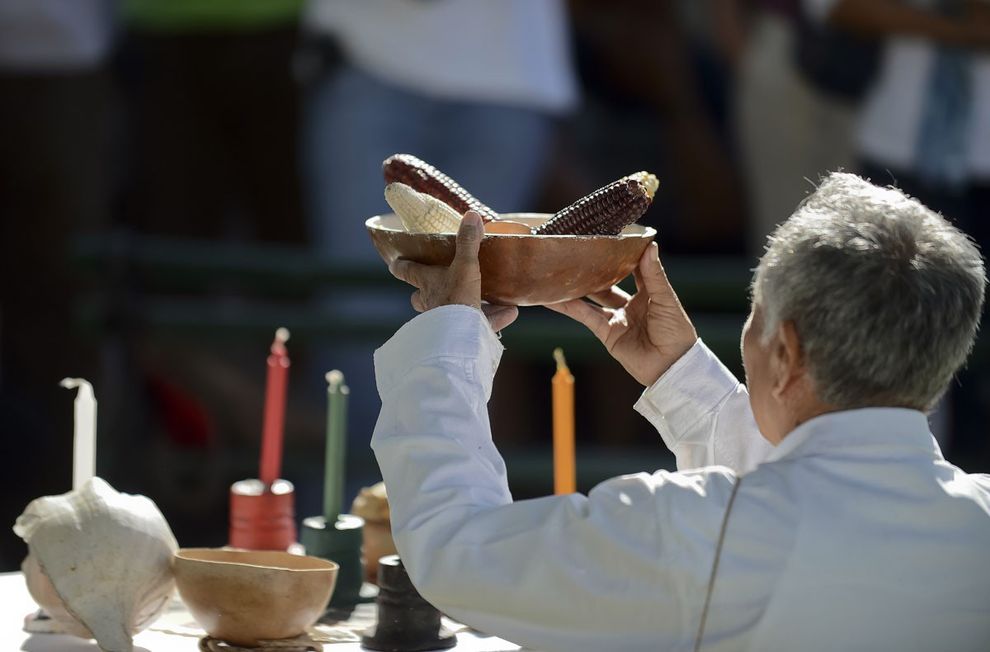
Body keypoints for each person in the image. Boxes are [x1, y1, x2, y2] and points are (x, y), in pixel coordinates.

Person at [373, 172, 990, 651]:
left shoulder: (692, 533)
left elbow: (459, 554)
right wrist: (683, 378)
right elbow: (832, 512)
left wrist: (447, 343)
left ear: (786, 350)